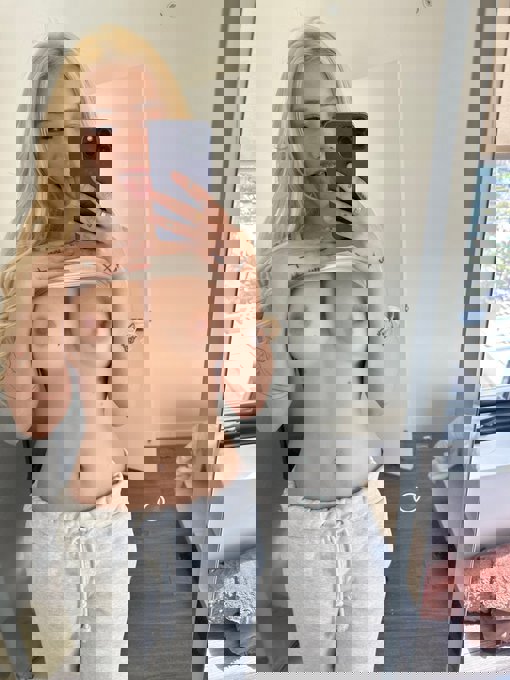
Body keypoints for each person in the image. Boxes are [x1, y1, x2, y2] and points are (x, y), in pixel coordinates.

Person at [0, 31, 240, 679]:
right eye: (71, 131)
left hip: (113, 522)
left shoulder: (122, 263)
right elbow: (21, 418)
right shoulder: (27, 274)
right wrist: (46, 303)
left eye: (98, 132)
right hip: (55, 524)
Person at [256, 20, 401, 672]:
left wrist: (375, 296)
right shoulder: (277, 258)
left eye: (326, 116)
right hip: (306, 514)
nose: (316, 136)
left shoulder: (370, 249)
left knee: (361, 666)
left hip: (362, 508)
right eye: (303, 119)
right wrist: (282, 302)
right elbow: (272, 415)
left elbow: (387, 405)